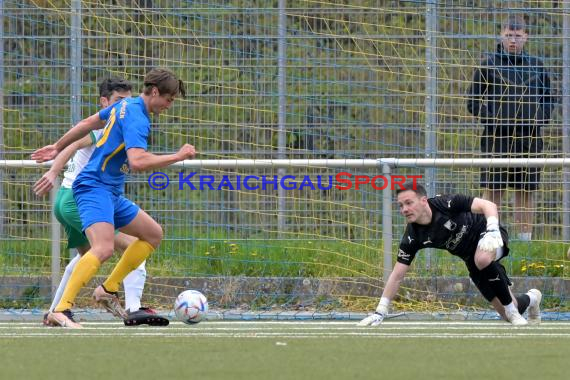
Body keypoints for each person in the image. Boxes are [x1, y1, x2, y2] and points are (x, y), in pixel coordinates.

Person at [32, 67, 196, 328]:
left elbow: (88, 123)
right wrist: (178, 156)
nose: (169, 105)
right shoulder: (137, 118)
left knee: (153, 234)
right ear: (154, 92)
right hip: (93, 187)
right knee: (103, 248)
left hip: (110, 191)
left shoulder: (126, 105)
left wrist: (57, 145)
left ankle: (107, 289)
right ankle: (61, 309)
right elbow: (138, 161)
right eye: (169, 99)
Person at [357, 181, 542, 327]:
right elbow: (397, 275)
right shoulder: (412, 236)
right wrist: (380, 310)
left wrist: (492, 228)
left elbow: (489, 205)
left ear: (423, 200)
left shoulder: (446, 203)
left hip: (489, 235)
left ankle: (512, 311)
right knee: (504, 310)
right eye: (401, 205)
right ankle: (532, 298)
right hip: (470, 258)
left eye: (408, 203)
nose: (404, 209)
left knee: (483, 258)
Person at [467, 14, 553, 242]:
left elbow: (549, 99)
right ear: (501, 35)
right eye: (508, 35)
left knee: (525, 189)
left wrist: (539, 119)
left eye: (517, 36)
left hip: (529, 137)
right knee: (493, 189)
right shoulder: (489, 64)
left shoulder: (536, 65)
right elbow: (473, 102)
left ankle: (525, 242)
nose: (512, 40)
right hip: (497, 138)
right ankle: (488, 237)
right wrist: (493, 120)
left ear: (526, 36)